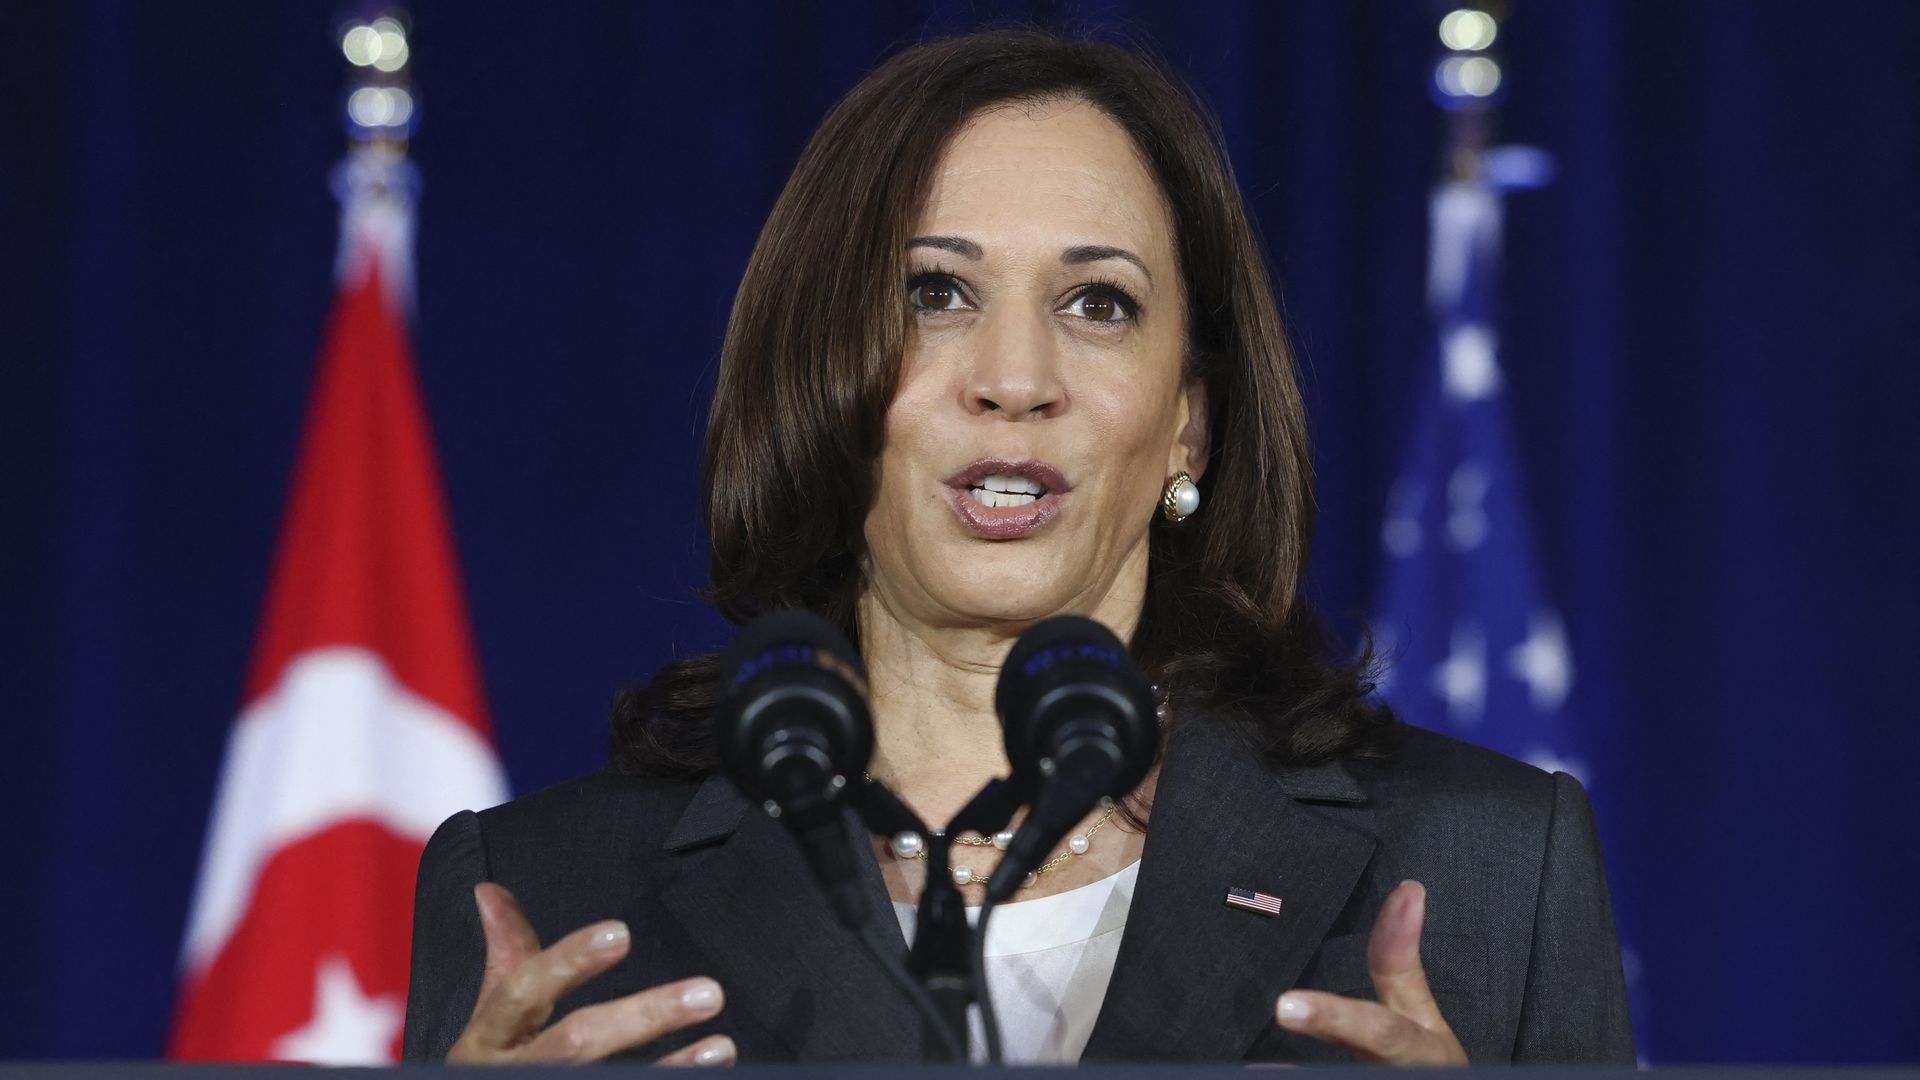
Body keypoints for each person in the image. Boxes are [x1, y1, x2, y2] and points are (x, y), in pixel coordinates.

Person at [401, 29, 1634, 1066]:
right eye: (935, 292)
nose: (1014, 378)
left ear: (1187, 427)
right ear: (820, 379)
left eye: (1099, 303)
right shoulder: (545, 891)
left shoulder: (1485, 873)